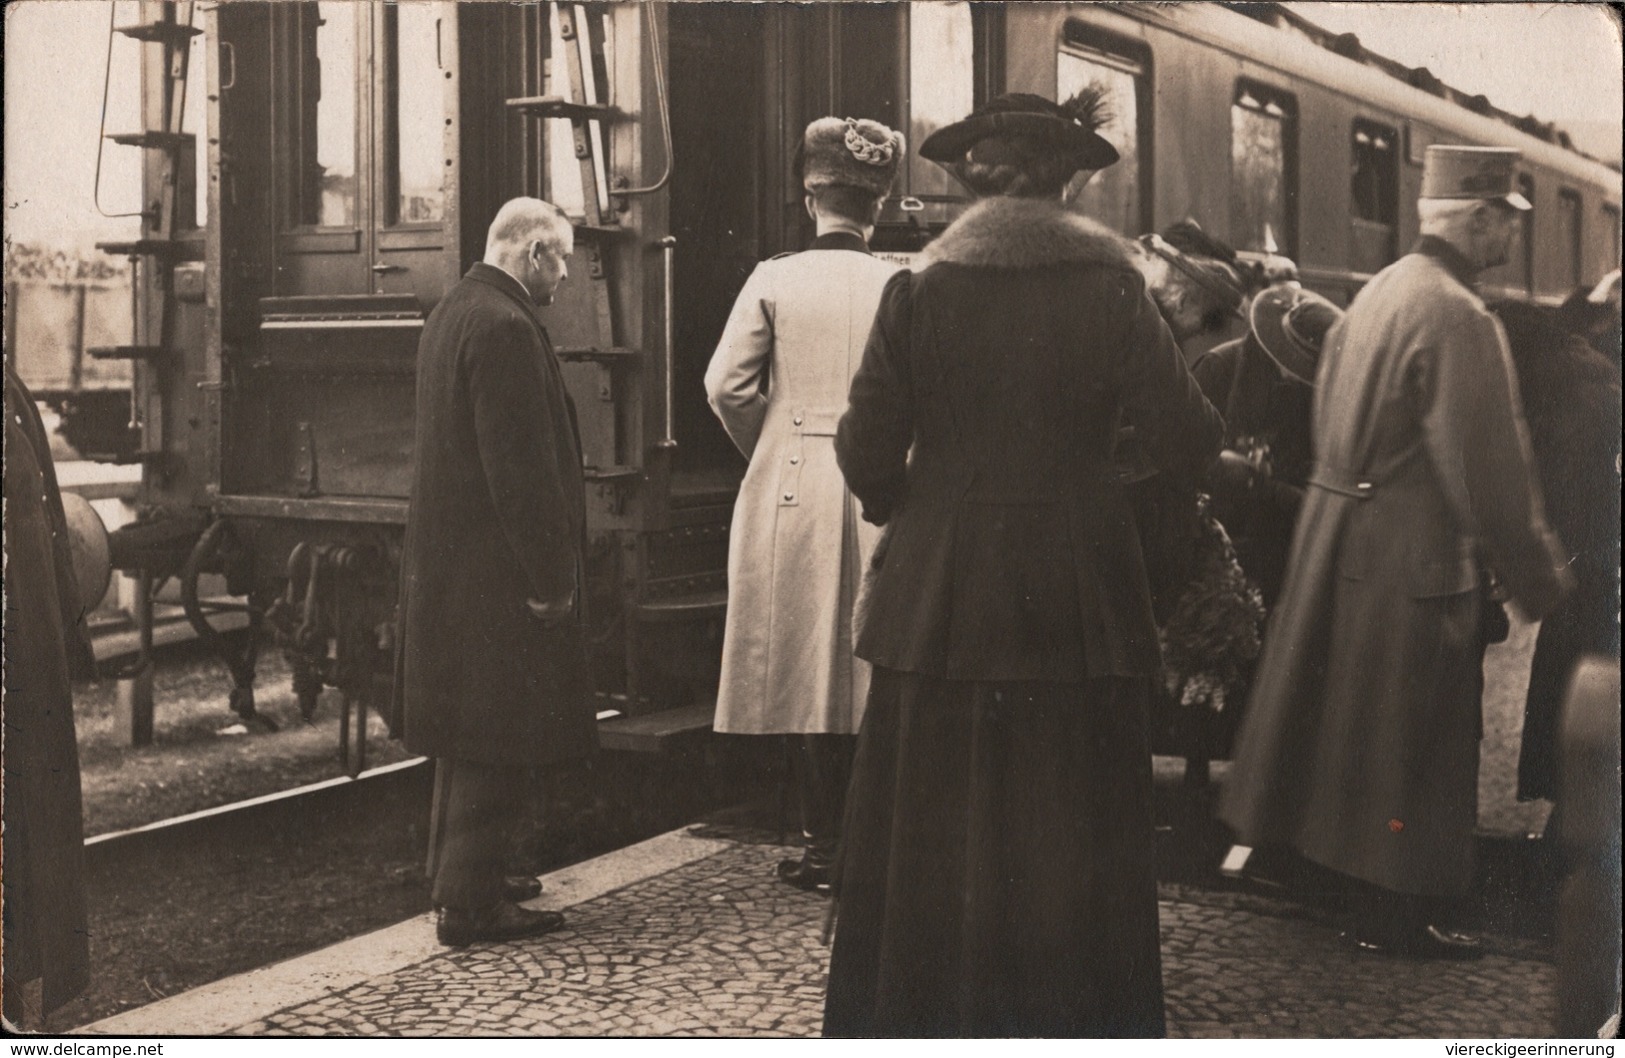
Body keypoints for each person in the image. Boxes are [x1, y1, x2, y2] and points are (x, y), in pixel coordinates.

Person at [826, 91, 1223, 1036]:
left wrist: (913, 516)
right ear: (1067, 185)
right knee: (1069, 814)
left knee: (929, 813)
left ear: (970, 184)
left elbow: (866, 448)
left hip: (939, 600)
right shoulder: (1116, 291)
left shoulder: (916, 292)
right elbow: (1190, 439)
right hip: (1078, 598)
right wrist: (1101, 486)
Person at [1219, 145, 1572, 959]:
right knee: (1412, 736)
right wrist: (1542, 582)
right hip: (1413, 554)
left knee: (1349, 725)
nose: (1511, 241)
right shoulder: (1457, 314)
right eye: (1507, 223)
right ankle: (1396, 912)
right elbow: (1488, 473)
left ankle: (1345, 891)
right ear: (1478, 219)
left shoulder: (1378, 292)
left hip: (1338, 535)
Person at [704, 117, 904, 892]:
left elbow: (726, 386)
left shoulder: (773, 278)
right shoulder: (898, 283)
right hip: (878, 488)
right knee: (866, 670)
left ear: (807, 197)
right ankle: (869, 843)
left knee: (803, 665)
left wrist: (773, 444)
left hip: (789, 485)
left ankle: (824, 847)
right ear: (877, 206)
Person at [390, 198, 596, 948]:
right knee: (496, 730)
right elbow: (522, 475)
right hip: (497, 575)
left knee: (468, 730)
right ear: (532, 252)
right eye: (562, 258)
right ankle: (471, 906)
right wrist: (550, 578)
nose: (566, 274)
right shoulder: (507, 328)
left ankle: (465, 877)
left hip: (457, 568)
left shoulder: (455, 310)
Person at [1489, 299, 1620, 810]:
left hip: (1588, 576)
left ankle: (1570, 834)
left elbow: (1563, 506)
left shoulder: (1573, 406)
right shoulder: (1580, 383)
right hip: (1591, 571)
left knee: (1577, 697)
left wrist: (1523, 567)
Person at [3, 362, 93, 1029]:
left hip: (25, 658)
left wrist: (65, 632)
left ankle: (14, 990)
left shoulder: (12, 394)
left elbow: (50, 516)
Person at [1192, 283, 1343, 609]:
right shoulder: (1219, 370)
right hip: (1222, 556)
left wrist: (1263, 485)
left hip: (1284, 564)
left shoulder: (1314, 393)